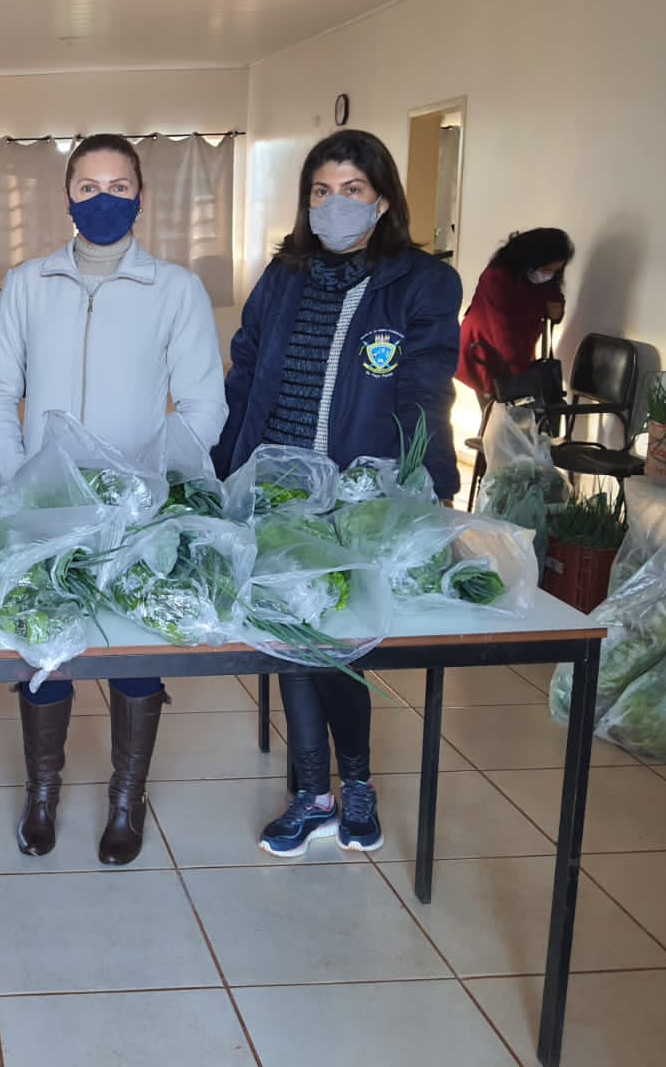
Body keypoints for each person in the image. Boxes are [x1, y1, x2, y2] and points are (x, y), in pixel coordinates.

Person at [0, 133, 228, 865]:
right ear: (67, 196)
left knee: (135, 653)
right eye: (88, 186)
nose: (103, 199)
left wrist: (151, 487)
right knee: (43, 649)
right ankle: (43, 794)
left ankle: (127, 797)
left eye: (119, 186)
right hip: (43, 505)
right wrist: (20, 478)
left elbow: (203, 404)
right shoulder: (28, 283)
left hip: (137, 512)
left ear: (141, 197)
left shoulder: (175, 288)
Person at [211, 128, 461, 857]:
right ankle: (312, 793)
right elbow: (245, 369)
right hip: (277, 488)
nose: (334, 204)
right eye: (321, 191)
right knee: (291, 634)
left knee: (340, 641)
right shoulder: (285, 274)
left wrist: (428, 483)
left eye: (352, 190)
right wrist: (223, 468)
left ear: (382, 200)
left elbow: (424, 390)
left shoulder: (421, 282)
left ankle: (357, 785)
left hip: (358, 493)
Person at [456, 228, 573, 400]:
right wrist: (522, 377)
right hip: (485, 348)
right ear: (532, 260)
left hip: (519, 349)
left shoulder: (542, 276)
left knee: (517, 407)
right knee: (496, 407)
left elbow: (553, 296)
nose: (549, 275)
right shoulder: (497, 278)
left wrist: (557, 312)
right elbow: (503, 330)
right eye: (546, 269)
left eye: (555, 271)